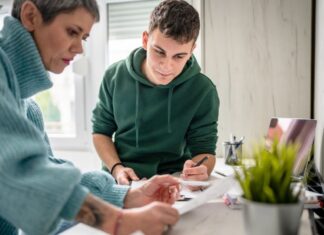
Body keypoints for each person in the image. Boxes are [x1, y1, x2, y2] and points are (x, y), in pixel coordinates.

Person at [0, 1, 180, 235]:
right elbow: (22, 175)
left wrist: (128, 197)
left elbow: (50, 182)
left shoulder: (28, 108)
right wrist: (119, 221)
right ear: (31, 16)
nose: (80, 49)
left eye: (83, 37)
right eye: (72, 32)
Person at [92, 0, 220, 186]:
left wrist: (201, 170)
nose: (166, 66)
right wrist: (117, 168)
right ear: (145, 40)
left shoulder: (203, 90)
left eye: (179, 56)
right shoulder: (114, 76)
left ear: (192, 50)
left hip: (174, 181)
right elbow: (100, 132)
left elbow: (205, 151)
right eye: (159, 52)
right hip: (122, 179)